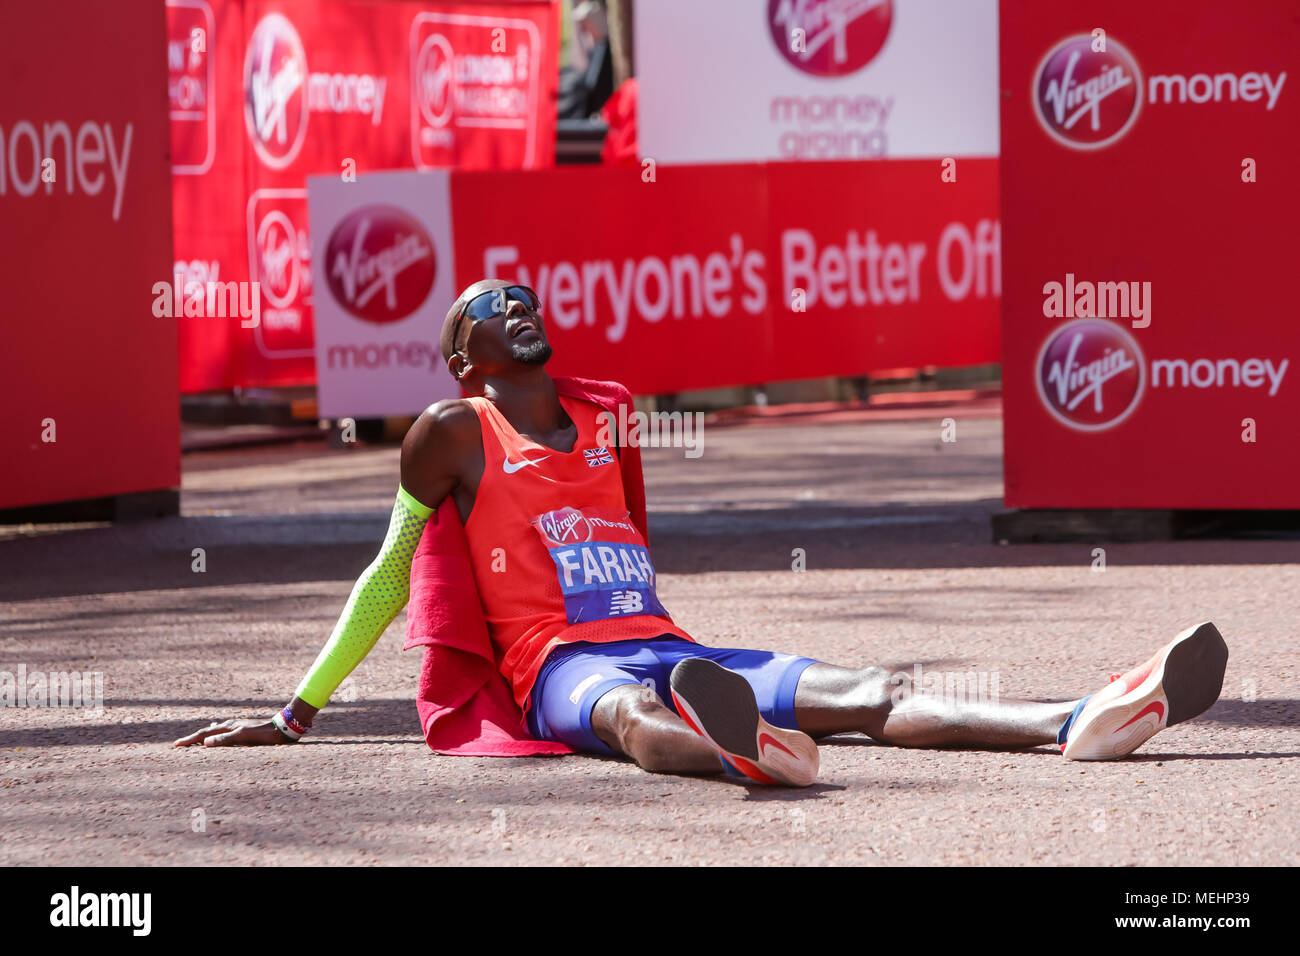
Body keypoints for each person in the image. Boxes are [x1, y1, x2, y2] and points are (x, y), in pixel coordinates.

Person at [173, 280, 1230, 786]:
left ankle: (1074, 716)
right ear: (464, 360)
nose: (516, 301)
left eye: (523, 292)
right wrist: (296, 711)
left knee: (873, 690)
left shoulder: (608, 413)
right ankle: (750, 757)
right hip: (560, 662)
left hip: (671, 640)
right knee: (632, 715)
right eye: (489, 305)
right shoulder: (453, 430)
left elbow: (632, 542)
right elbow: (389, 573)